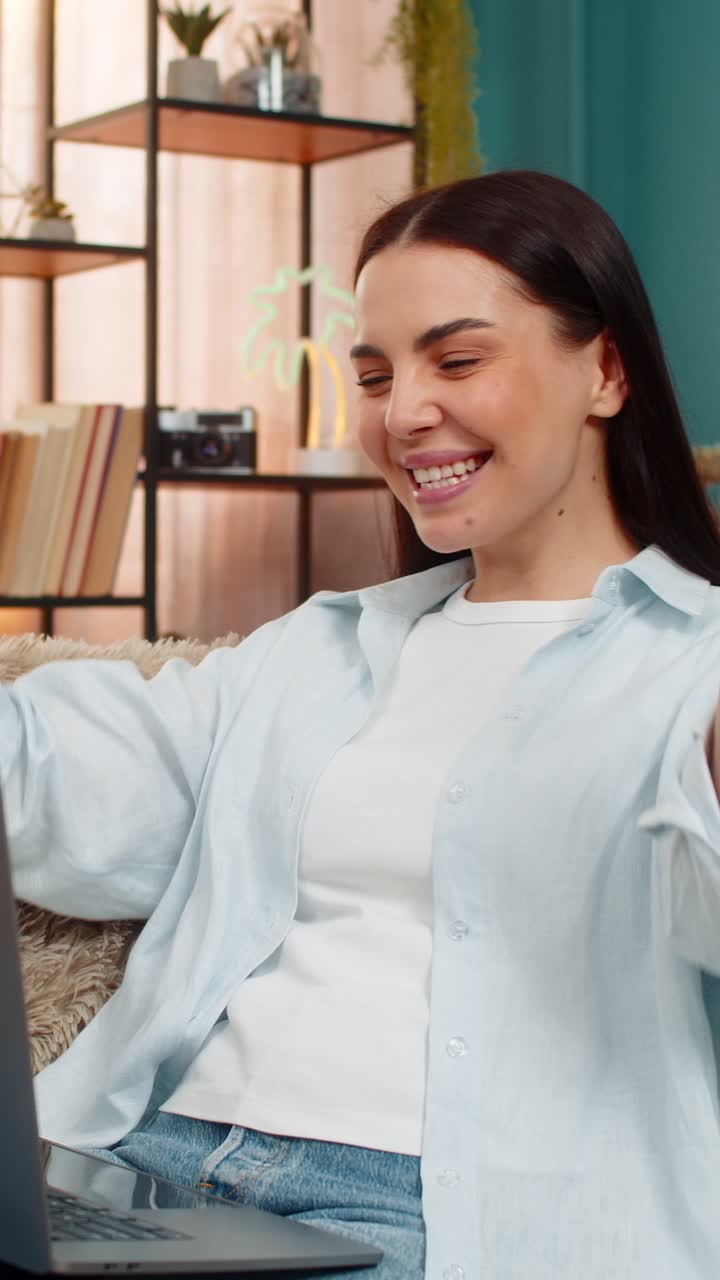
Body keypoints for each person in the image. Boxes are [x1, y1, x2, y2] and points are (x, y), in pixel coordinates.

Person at [6, 167, 720, 1280]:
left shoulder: (694, 666)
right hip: (149, 1178)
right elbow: (66, 781)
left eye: (458, 358)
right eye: (377, 374)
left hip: (425, 1217)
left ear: (607, 369)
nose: (402, 413)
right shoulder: (315, 651)